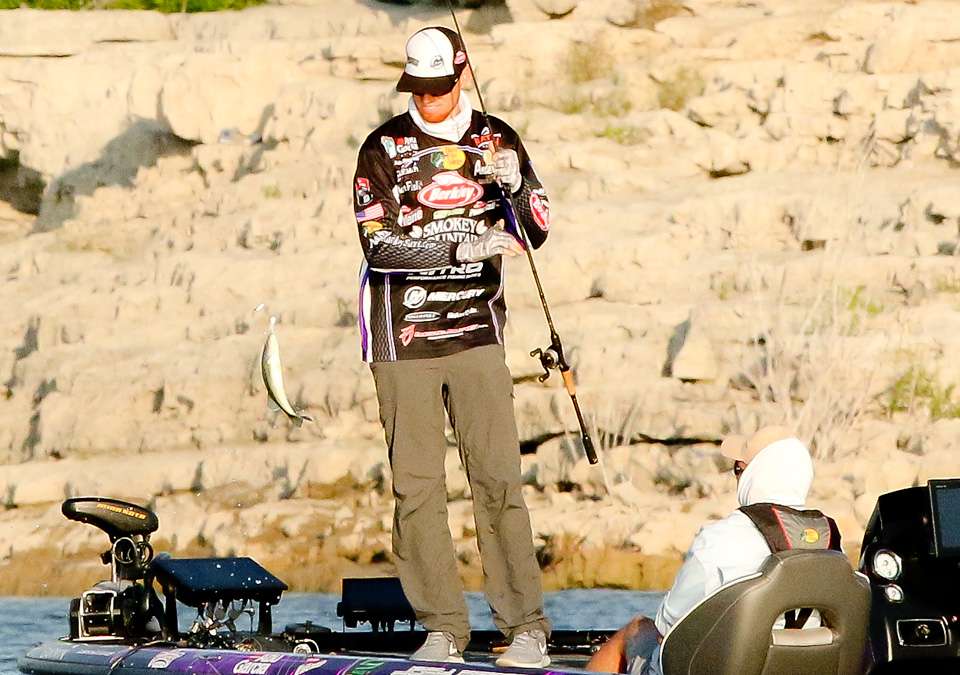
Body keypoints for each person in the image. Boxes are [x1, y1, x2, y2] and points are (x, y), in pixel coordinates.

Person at [352, 25, 553, 667]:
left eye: (439, 86)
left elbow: (537, 230)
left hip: (476, 332)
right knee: (416, 488)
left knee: (498, 478)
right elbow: (378, 246)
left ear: (462, 73)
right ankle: (442, 627)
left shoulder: (497, 137)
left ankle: (525, 627)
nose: (428, 98)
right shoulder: (382, 148)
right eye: (418, 87)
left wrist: (516, 185)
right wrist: (459, 246)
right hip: (402, 337)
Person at [587, 426, 842, 675]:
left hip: (727, 667)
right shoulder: (829, 538)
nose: (737, 479)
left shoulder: (721, 537)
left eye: (739, 470)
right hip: (806, 667)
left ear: (754, 476)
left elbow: (668, 625)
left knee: (637, 629)